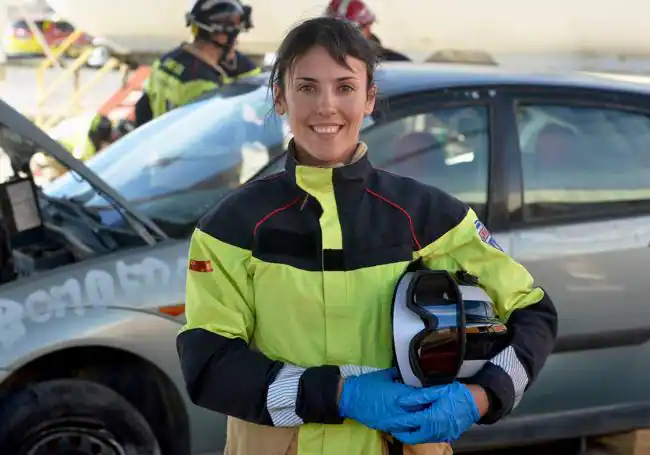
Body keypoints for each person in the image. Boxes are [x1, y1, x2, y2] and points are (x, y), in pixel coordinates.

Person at [176, 17, 558, 455]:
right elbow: (209, 365)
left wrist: (485, 395)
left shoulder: (428, 215)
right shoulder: (232, 226)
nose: (326, 106)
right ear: (280, 97)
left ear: (369, 98)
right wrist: (340, 395)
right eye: (306, 87)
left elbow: (535, 313)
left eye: (344, 87)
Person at [133, 0, 261, 128]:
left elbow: (142, 110)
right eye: (235, 35)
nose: (236, 43)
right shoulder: (202, 85)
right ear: (219, 36)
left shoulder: (166, 62)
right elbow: (219, 137)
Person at [324, 0, 411, 62]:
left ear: (368, 27)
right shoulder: (316, 61)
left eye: (352, 31)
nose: (343, 37)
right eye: (334, 31)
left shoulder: (397, 64)